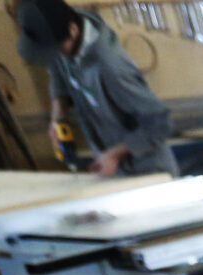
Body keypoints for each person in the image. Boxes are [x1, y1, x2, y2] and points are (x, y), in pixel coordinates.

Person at [16, 0, 175, 177]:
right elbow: (57, 68)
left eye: (57, 49)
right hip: (112, 167)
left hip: (148, 173)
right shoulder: (62, 35)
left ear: (73, 30)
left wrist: (114, 155)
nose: (56, 54)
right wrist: (58, 115)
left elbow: (161, 123)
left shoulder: (112, 68)